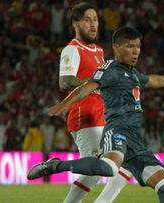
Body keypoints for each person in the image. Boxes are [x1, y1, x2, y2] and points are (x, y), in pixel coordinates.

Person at [28, 26, 164, 203]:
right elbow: (87, 87)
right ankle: (55, 165)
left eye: (137, 46)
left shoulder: (133, 74)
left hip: (136, 142)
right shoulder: (110, 69)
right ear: (116, 47)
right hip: (117, 131)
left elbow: (152, 80)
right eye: (130, 46)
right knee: (108, 168)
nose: (135, 51)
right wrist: (66, 103)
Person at [58, 2, 131, 203]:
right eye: (87, 20)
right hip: (85, 117)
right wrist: (98, 84)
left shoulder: (98, 50)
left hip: (102, 117)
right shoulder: (71, 50)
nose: (93, 24)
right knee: (108, 167)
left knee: (110, 169)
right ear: (76, 24)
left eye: (96, 20)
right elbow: (65, 81)